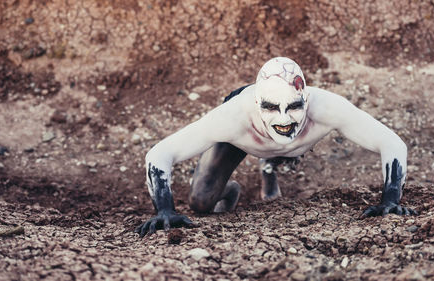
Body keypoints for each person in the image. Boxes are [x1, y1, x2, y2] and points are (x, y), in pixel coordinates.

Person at [135, 57, 417, 237]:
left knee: (284, 141)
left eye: (294, 107)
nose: (284, 119)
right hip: (248, 137)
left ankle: (270, 168)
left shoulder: (327, 107)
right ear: (258, 104)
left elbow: (391, 143)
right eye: (272, 108)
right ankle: (237, 184)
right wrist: (164, 209)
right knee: (200, 203)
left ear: (306, 100)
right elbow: (160, 154)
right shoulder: (232, 117)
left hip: (294, 142)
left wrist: (391, 200)